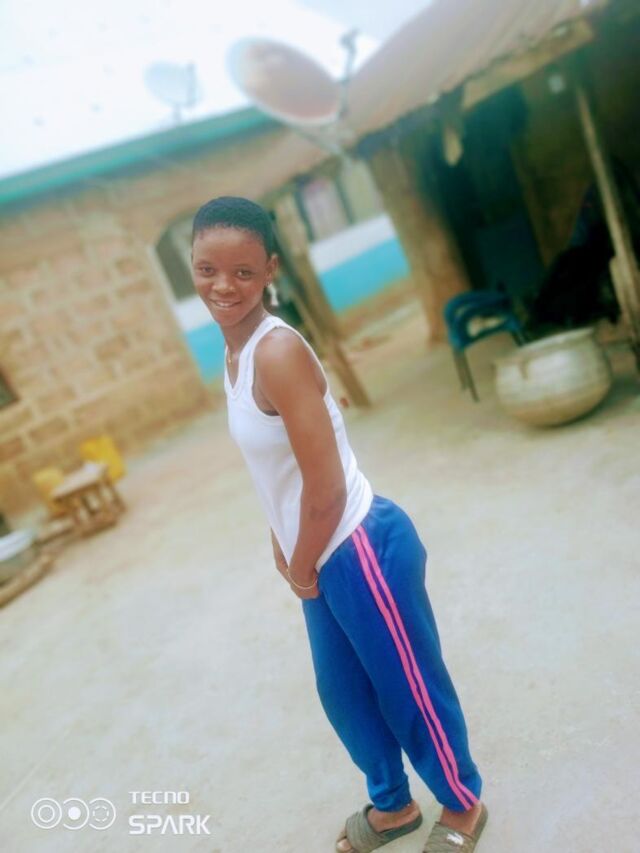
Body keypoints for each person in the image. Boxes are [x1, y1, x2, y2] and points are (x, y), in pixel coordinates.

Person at [191, 196, 487, 853]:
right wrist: (280, 538)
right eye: (207, 269)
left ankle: (463, 803)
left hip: (358, 546)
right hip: (315, 550)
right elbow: (279, 469)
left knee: (408, 689)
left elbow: (324, 486)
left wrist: (300, 565)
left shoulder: (276, 352)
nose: (223, 286)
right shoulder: (234, 355)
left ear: (270, 269)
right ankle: (394, 807)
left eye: (243, 271)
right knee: (345, 695)